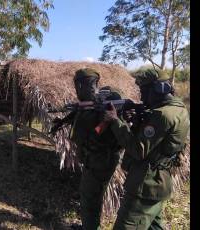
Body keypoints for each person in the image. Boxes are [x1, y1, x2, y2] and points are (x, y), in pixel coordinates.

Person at [103, 69, 190, 230]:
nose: (141, 97)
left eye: (144, 91)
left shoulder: (161, 115)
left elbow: (138, 150)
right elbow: (159, 143)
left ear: (159, 89)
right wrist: (137, 123)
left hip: (145, 186)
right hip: (159, 183)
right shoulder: (179, 109)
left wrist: (116, 121)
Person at [67, 68, 123, 230]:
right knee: (92, 198)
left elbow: (77, 137)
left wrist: (79, 116)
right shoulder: (106, 101)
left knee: (89, 200)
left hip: (98, 162)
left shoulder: (94, 110)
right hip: (105, 159)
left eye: (78, 85)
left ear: (80, 85)